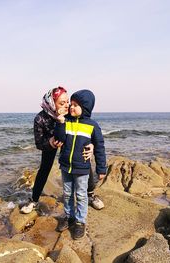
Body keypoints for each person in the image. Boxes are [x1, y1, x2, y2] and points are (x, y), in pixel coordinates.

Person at [20, 87, 100, 214]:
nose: (67, 105)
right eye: (62, 103)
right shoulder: (40, 119)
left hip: (69, 139)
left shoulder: (70, 112)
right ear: (52, 103)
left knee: (83, 159)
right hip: (51, 143)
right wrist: (50, 143)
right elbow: (39, 143)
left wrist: (92, 145)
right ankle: (34, 200)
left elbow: (86, 127)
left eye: (67, 101)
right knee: (45, 168)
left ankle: (90, 195)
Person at [54, 89, 107, 240]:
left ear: (85, 108)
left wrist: (101, 168)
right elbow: (60, 138)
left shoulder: (92, 125)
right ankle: (69, 216)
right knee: (67, 193)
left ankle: (80, 221)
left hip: (82, 168)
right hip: (65, 165)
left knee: (81, 195)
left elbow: (100, 146)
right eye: (71, 104)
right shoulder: (67, 121)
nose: (71, 107)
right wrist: (60, 122)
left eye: (76, 105)